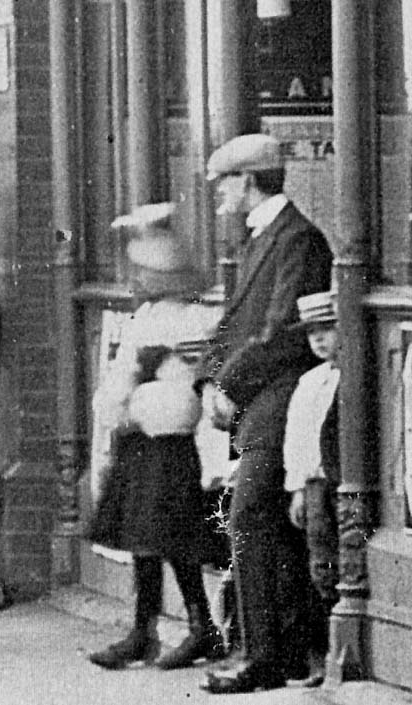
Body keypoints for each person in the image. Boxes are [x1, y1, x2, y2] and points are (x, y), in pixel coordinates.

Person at [198, 133, 334, 694]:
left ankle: (266, 655)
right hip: (259, 405)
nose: (220, 196)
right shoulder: (261, 240)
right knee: (260, 521)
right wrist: (211, 378)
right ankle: (273, 649)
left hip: (281, 403)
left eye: (226, 183)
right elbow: (232, 322)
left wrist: (227, 382)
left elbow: (280, 332)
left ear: (249, 181)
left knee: (253, 515)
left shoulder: (298, 240)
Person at [86, 202, 226, 671]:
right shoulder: (154, 317)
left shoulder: (183, 320)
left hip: (171, 443)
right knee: (148, 539)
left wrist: (131, 391)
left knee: (172, 539)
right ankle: (145, 628)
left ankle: (197, 625)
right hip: (147, 440)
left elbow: (159, 385)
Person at [282, 290, 341, 689]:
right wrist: (297, 488)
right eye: (312, 334)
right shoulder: (310, 382)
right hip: (317, 485)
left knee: (344, 563)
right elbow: (298, 440)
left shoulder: (348, 378)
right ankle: (321, 657)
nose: (319, 340)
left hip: (343, 486)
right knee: (320, 566)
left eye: (327, 330)